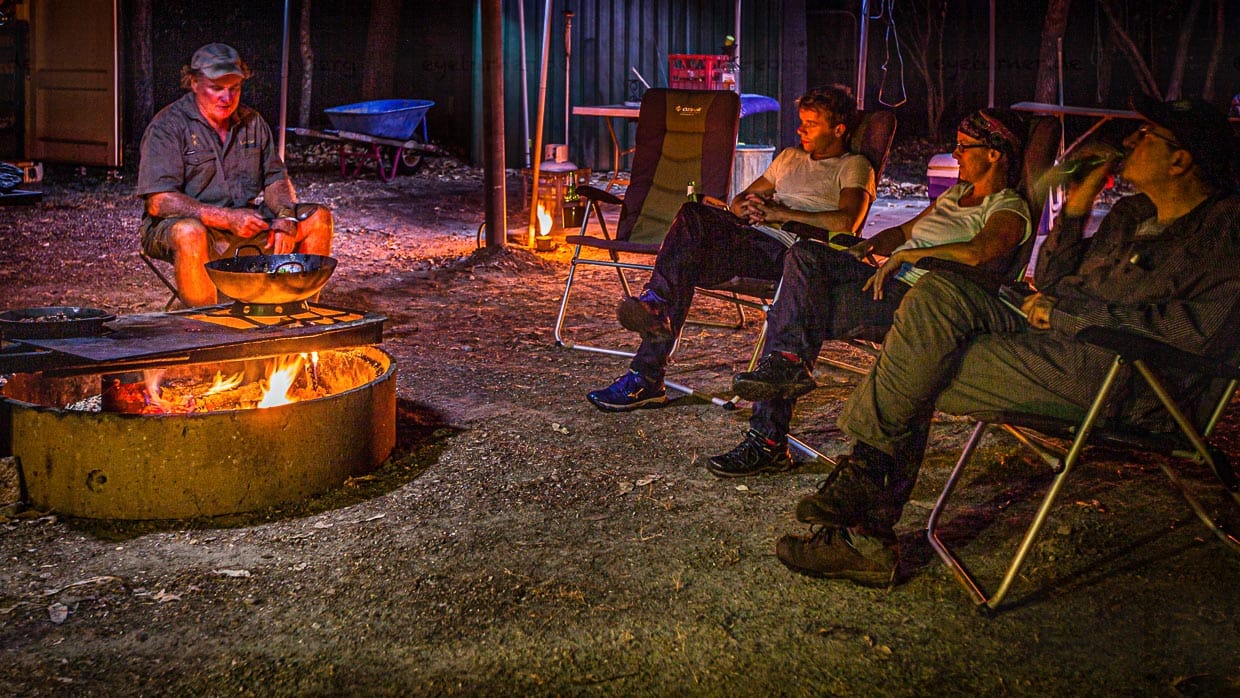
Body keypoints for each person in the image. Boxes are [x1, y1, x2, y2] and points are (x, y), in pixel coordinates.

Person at [774, 96, 1240, 587]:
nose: (1128, 141)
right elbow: (1055, 276)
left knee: (918, 362)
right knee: (937, 295)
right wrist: (1077, 207)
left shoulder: (1224, 232)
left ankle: (864, 522)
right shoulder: (1130, 214)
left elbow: (1197, 332)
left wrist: (1070, 313)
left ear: (1181, 159)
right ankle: (865, 488)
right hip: (1052, 337)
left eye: (1145, 134)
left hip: (1118, 372)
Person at [707, 109, 1033, 478]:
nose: (955, 154)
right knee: (806, 254)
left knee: (792, 315)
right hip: (886, 280)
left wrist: (914, 255)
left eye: (963, 146)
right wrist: (870, 245)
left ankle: (767, 437)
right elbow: (904, 231)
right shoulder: (956, 195)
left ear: (994, 153)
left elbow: (977, 252)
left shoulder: (1009, 207)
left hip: (922, 301)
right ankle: (788, 367)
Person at [586, 84, 877, 412]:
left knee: (682, 260)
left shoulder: (854, 166)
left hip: (790, 255)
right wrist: (745, 208)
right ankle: (653, 332)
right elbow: (740, 200)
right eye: (801, 121)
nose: (800, 129)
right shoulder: (789, 158)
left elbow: (847, 222)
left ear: (838, 130)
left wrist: (779, 213)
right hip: (749, 240)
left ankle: (645, 371)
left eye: (810, 124)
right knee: (693, 217)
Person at [137, 43, 333, 307]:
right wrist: (226, 218)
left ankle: (299, 313)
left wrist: (285, 217)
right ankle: (207, 328)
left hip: (243, 223)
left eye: (234, 89)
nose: (227, 98)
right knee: (189, 232)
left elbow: (275, 179)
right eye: (216, 88)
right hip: (185, 226)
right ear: (194, 83)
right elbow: (160, 202)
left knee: (318, 219)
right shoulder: (168, 127)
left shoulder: (252, 123)